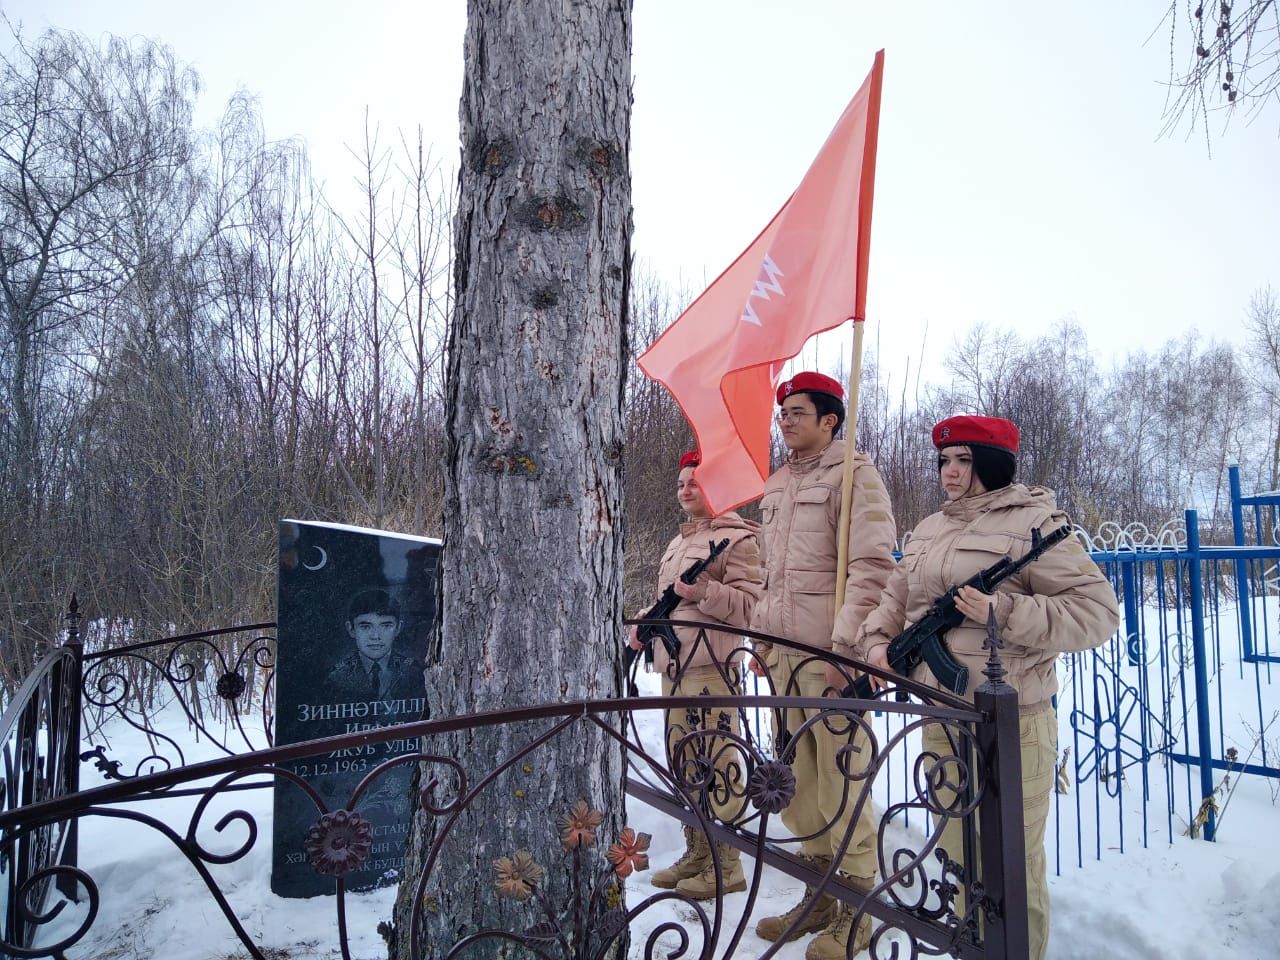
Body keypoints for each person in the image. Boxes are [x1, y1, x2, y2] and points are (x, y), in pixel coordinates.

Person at [853, 415, 1119, 960]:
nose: (949, 472)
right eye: (944, 461)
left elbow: (1099, 615)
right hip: (942, 714)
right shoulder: (930, 528)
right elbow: (896, 598)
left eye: (964, 461)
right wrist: (877, 642)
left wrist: (1007, 610)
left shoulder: (1036, 525)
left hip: (1012, 722)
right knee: (955, 854)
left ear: (992, 464)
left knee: (1010, 865)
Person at [747, 372, 897, 960]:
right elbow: (768, 572)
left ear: (830, 419)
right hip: (782, 656)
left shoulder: (856, 474)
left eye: (798, 411)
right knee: (801, 788)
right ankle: (820, 896)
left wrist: (847, 651)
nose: (786, 419)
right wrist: (762, 639)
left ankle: (860, 908)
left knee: (843, 780)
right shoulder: (778, 482)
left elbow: (872, 567)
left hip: (829, 657)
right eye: (782, 412)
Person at [627, 449, 763, 901]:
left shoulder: (740, 540)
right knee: (684, 760)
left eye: (695, 483)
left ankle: (728, 864)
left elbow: (750, 608)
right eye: (681, 483)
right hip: (674, 665)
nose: (685, 490)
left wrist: (707, 591)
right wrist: (645, 621)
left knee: (719, 761)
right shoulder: (678, 541)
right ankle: (698, 852)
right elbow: (671, 600)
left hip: (711, 669)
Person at [325, 588, 423, 704]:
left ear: (398, 628)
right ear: (351, 629)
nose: (376, 636)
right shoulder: (337, 677)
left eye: (386, 626)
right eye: (365, 627)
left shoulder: (413, 672)